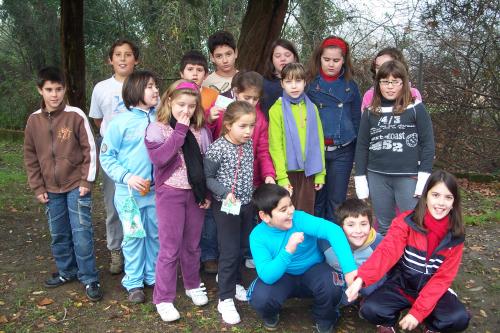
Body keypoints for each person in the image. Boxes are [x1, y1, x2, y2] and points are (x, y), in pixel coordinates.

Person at [346, 170, 471, 333]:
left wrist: (417, 313)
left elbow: (443, 278)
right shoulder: (406, 222)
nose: (441, 203)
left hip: (432, 288)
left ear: (454, 202)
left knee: (459, 319)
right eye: (436, 195)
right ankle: (387, 323)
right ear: (426, 196)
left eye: (448, 197)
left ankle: (432, 326)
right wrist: (360, 279)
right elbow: (386, 252)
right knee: (370, 308)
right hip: (402, 285)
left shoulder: (455, 236)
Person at [23, 66, 102, 301]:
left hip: (76, 186)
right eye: (49, 90)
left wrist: (87, 180)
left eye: (58, 89)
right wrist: (38, 187)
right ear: (40, 90)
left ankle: (89, 277)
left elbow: (90, 149)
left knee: (81, 233)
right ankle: (67, 271)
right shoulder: (33, 121)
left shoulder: (75, 115)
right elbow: (30, 156)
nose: (54, 94)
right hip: (50, 189)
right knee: (58, 233)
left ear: (64, 89)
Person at [248, 184, 358, 333]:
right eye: (283, 209)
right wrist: (288, 250)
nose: (291, 211)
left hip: (313, 270)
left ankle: (324, 317)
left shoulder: (299, 219)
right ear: (265, 216)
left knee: (333, 286)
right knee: (261, 297)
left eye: (291, 205)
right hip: (282, 276)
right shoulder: (257, 236)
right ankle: (271, 314)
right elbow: (267, 276)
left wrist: (350, 270)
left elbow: (334, 231)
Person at [145, 80, 212, 322]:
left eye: (192, 106)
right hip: (170, 193)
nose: (186, 110)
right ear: (169, 101)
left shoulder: (202, 131)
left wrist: (206, 193)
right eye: (181, 104)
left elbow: (206, 165)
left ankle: (192, 284)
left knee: (192, 244)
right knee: (170, 247)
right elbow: (161, 158)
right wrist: (180, 131)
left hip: (194, 194)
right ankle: (163, 298)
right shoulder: (157, 128)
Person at [354, 60, 435, 235]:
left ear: (403, 83)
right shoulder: (370, 110)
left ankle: (412, 260)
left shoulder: (415, 108)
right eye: (385, 82)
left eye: (395, 82)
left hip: (408, 176)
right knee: (383, 225)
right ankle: (388, 262)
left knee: (412, 224)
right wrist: (360, 178)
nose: (390, 87)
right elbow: (361, 146)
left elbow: (428, 144)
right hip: (377, 176)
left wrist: (423, 176)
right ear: (378, 83)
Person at [100, 70, 160, 303]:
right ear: (135, 91)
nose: (156, 90)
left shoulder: (161, 118)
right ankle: (134, 282)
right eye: (150, 86)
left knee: (155, 234)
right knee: (135, 236)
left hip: (156, 193)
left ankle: (152, 276)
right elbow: (107, 157)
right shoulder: (120, 122)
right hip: (129, 195)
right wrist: (126, 177)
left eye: (156, 86)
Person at [89, 39, 140, 275]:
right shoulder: (101, 88)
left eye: (128, 54)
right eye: (117, 54)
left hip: (139, 152)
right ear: (110, 60)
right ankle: (116, 249)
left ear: (135, 60)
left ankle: (137, 249)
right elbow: (99, 121)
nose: (122, 58)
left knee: (140, 201)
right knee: (113, 203)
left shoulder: (143, 85)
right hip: (113, 153)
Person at [204, 101, 256, 325]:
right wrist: (225, 193)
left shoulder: (249, 143)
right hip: (225, 207)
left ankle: (234, 282)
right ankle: (224, 299)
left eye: (251, 126)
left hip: (246, 205)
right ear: (228, 126)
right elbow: (208, 178)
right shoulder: (217, 148)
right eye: (242, 126)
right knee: (229, 250)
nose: (248, 131)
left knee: (242, 247)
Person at [306, 36, 361, 223]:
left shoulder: (351, 87)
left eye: (336, 60)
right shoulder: (309, 84)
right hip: (315, 151)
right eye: (326, 59)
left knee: (336, 201)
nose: (331, 64)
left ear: (344, 60)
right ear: (319, 58)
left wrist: (357, 153)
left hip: (342, 151)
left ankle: (331, 246)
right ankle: (314, 246)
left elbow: (356, 121)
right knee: (315, 200)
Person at [179, 50, 220, 274]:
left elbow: (220, 126)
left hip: (206, 152)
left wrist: (211, 120)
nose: (194, 74)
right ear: (181, 72)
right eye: (190, 70)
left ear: (206, 74)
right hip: (182, 157)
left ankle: (209, 254)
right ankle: (187, 256)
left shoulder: (212, 95)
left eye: (199, 70)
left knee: (207, 206)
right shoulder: (174, 95)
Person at [268, 62, 325, 215]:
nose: (294, 86)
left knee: (306, 216)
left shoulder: (311, 107)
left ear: (305, 82)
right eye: (288, 81)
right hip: (287, 172)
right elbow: (275, 146)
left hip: (309, 172)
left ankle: (306, 240)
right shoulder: (276, 109)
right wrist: (281, 177)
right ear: (282, 83)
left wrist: (321, 173)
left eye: (298, 81)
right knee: (286, 215)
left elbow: (319, 141)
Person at [319, 199, 384, 306]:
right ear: (341, 227)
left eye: (363, 224)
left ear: (371, 224)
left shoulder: (379, 243)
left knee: (371, 289)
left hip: (368, 280)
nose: (358, 230)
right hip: (340, 280)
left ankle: (367, 300)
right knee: (345, 301)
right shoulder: (326, 243)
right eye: (351, 225)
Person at [361, 47, 422, 113]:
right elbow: (365, 120)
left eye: (387, 66)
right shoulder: (370, 95)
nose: (382, 70)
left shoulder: (412, 93)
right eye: (378, 67)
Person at [261, 39, 300, 119]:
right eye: (278, 56)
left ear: (295, 58)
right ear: (272, 59)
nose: (283, 59)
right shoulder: (262, 83)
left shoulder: (304, 83)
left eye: (287, 55)